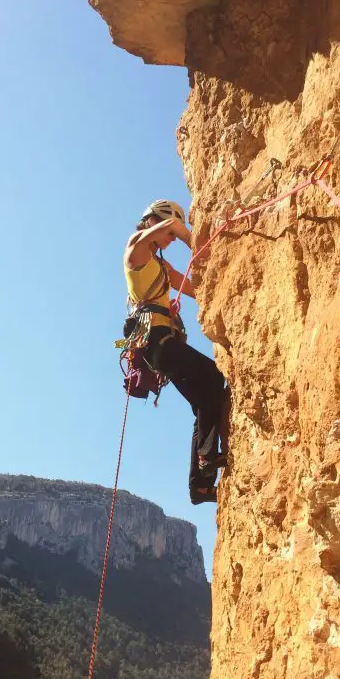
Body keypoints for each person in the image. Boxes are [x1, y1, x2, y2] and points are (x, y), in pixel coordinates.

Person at [124, 199, 226, 504]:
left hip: (161, 343)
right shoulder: (136, 251)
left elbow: (193, 287)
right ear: (157, 220)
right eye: (167, 237)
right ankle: (207, 459)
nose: (170, 241)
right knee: (211, 377)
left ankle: (201, 485)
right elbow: (168, 229)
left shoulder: (161, 267)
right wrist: (189, 237)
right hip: (157, 341)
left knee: (205, 398)